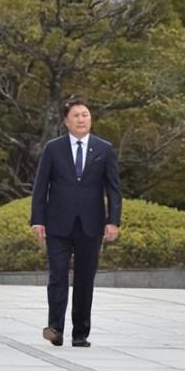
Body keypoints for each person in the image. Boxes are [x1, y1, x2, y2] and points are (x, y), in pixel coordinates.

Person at [31, 98, 122, 347]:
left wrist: (113, 221)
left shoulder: (103, 149)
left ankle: (80, 332)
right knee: (57, 276)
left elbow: (114, 189)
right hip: (57, 222)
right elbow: (41, 187)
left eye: (86, 115)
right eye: (76, 115)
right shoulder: (53, 149)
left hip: (91, 224)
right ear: (66, 120)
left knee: (84, 278)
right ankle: (55, 328)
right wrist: (37, 220)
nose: (82, 119)